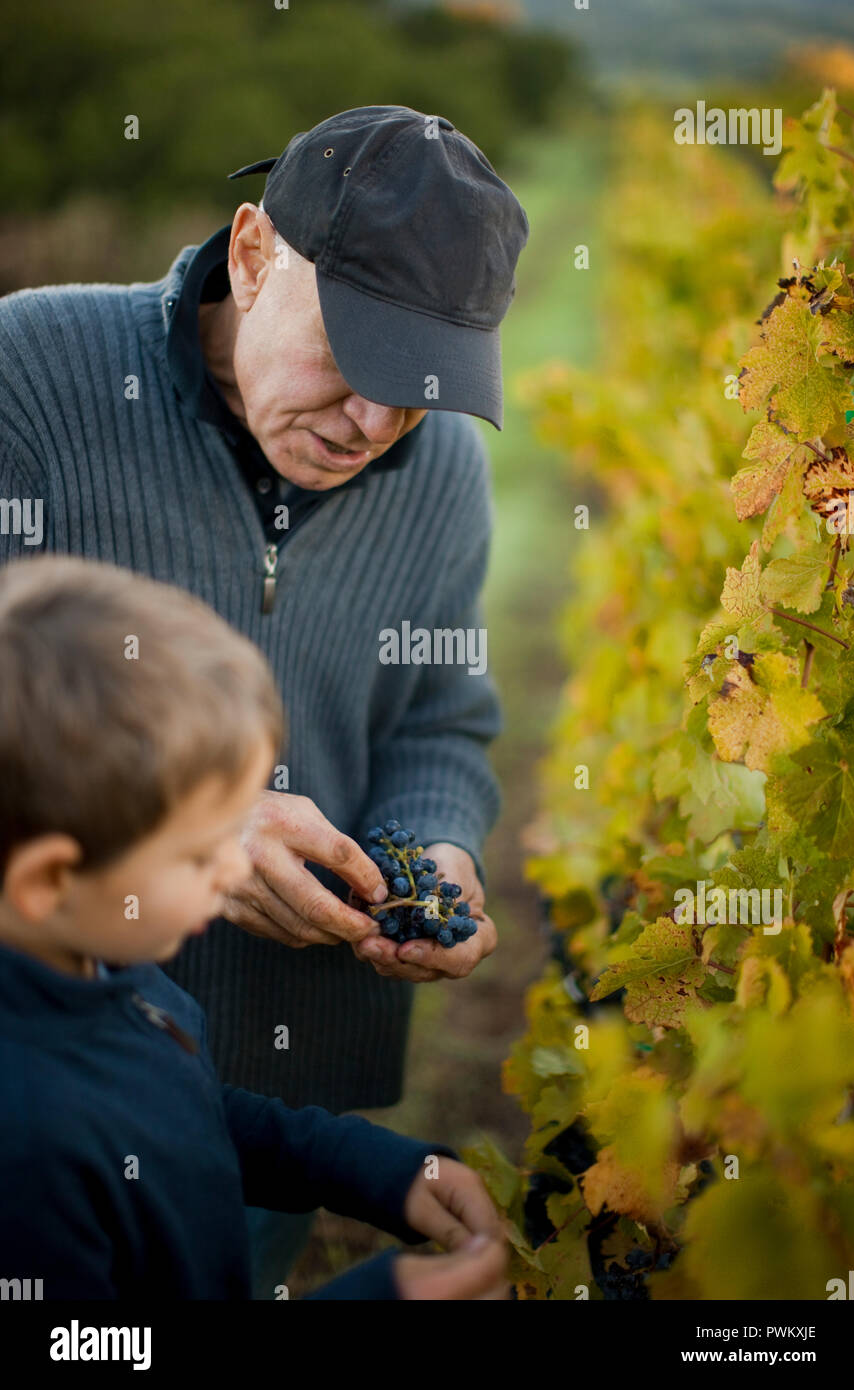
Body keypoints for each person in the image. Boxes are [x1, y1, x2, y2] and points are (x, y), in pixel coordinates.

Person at [0, 105, 529, 1295]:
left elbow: (440, 709)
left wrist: (437, 841)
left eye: (421, 392)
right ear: (251, 253)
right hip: (50, 1056)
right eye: (356, 369)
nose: (375, 427)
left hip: (287, 1096)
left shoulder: (439, 470)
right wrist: (194, 820)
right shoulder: (28, 371)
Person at [0, 554, 509, 1300]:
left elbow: (185, 1114)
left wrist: (364, 1168)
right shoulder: (25, 1150)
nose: (235, 869)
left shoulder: (106, 969)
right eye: (203, 852)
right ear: (48, 879)